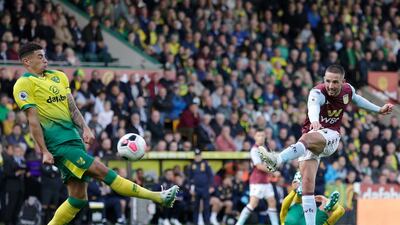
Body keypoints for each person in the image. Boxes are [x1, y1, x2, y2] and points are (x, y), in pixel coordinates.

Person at [12, 42, 179, 225]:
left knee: (78, 199)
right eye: (40, 56)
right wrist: (44, 150)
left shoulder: (59, 76)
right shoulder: (24, 84)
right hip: (59, 146)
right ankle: (158, 196)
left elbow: (72, 106)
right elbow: (33, 121)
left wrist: (85, 127)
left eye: (44, 55)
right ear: (27, 61)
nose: (45, 59)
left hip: (74, 139)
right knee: (103, 172)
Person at [258, 64, 393, 225]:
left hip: (331, 137)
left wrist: (379, 109)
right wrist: (314, 120)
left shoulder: (347, 90)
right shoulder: (317, 92)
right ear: (324, 80)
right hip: (312, 138)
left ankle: (277, 159)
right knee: (307, 185)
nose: (330, 85)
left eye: (335, 82)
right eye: (328, 81)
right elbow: (312, 106)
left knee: (306, 140)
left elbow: (357, 99)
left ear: (343, 81)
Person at [236, 129, 279, 225]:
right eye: (259, 135)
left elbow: (268, 163)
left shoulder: (264, 149)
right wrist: (273, 171)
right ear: (255, 137)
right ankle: (239, 223)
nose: (261, 137)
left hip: (266, 181)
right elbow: (259, 166)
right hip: (257, 181)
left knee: (272, 202)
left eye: (262, 135)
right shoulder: (254, 150)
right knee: (253, 204)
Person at [188, 149, 214, 225]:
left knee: (206, 207)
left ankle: (207, 222)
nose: (197, 157)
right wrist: (190, 188)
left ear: (201, 156)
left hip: (205, 188)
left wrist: (211, 186)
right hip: (196, 188)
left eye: (199, 156)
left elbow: (210, 176)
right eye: (196, 156)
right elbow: (189, 178)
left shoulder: (206, 164)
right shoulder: (192, 165)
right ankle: (195, 222)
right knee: (196, 206)